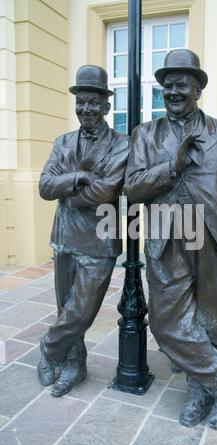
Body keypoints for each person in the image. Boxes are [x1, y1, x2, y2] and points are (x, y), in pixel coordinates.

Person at [124, 49, 217, 428]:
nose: (173, 91)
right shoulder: (146, 135)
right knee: (166, 323)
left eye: (182, 84)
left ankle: (201, 392)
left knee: (213, 321)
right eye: (167, 86)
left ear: (198, 89)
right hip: (167, 239)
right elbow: (132, 189)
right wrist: (172, 166)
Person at [37, 65, 129, 397]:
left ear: (106, 106)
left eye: (93, 103)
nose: (86, 109)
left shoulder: (122, 145)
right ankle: (75, 367)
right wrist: (77, 178)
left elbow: (105, 191)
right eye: (81, 102)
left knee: (82, 310)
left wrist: (73, 197)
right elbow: (45, 187)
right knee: (67, 309)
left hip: (100, 239)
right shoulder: (62, 143)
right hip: (64, 237)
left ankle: (49, 347)